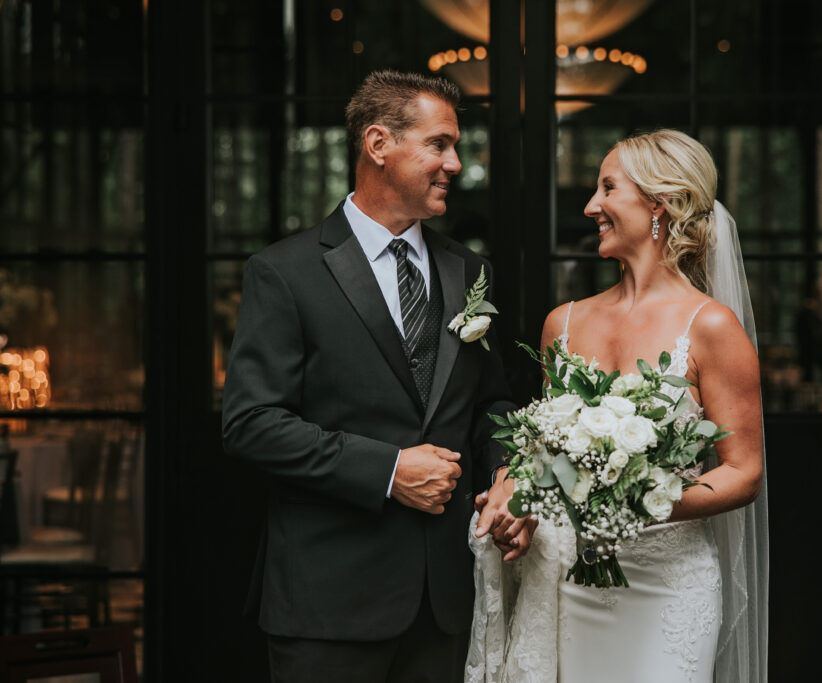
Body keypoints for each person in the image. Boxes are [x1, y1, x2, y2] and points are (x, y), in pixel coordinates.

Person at [222, 70, 520, 683]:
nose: (456, 164)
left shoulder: (469, 270)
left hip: (445, 602)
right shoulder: (285, 272)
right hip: (328, 603)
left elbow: (491, 404)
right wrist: (388, 470)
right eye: (439, 144)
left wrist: (507, 474)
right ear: (378, 144)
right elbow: (251, 425)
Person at [467, 130, 769, 683]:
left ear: (660, 203)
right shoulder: (564, 322)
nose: (591, 206)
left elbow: (744, 473)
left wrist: (636, 505)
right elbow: (546, 453)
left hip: (668, 586)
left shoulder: (711, 328)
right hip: (570, 584)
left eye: (607, 187)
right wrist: (519, 489)